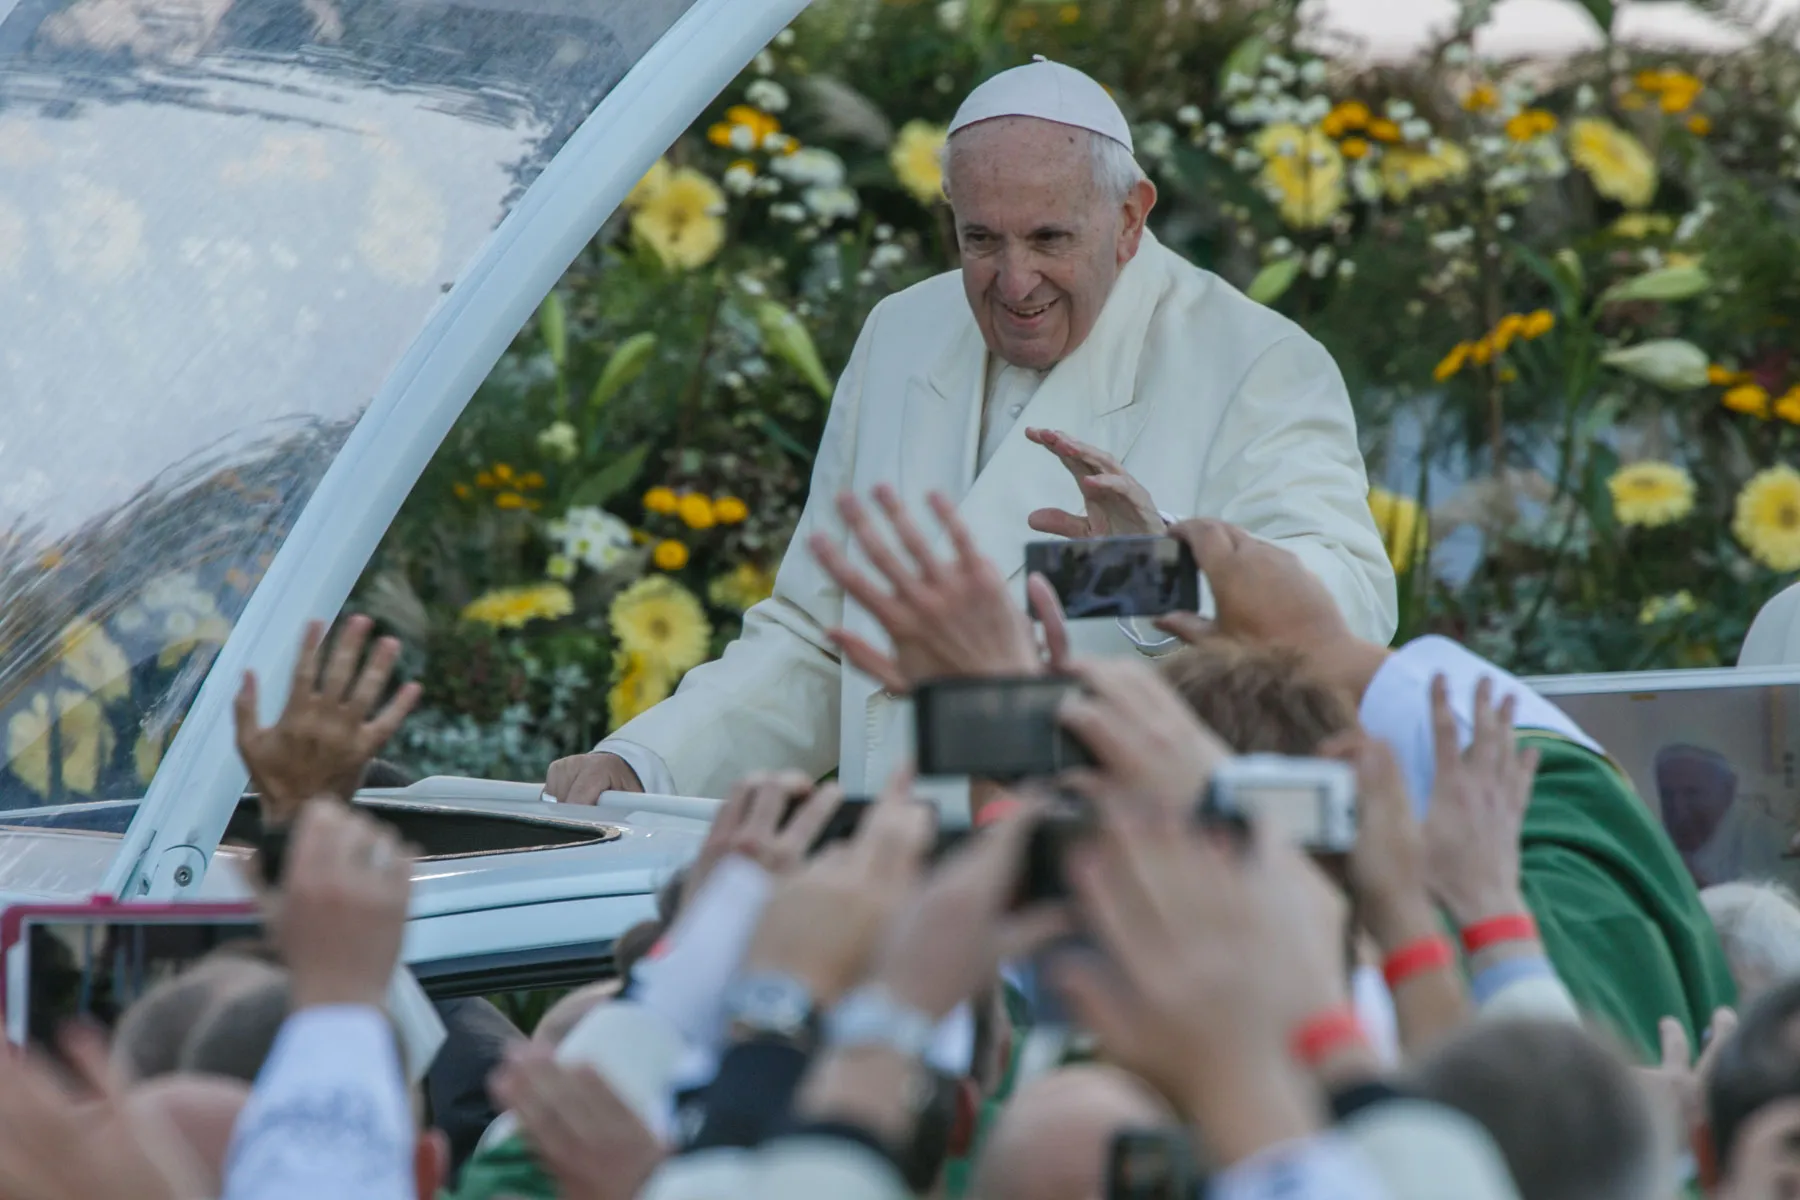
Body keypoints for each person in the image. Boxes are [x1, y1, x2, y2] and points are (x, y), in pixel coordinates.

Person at [546, 57, 1395, 808]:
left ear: (1132, 217)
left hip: (1107, 877)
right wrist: (648, 762)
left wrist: (1157, 570)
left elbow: (1351, 611)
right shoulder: (901, 332)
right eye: (980, 240)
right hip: (893, 867)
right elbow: (819, 633)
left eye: (1049, 239)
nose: (1014, 282)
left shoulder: (1255, 359)